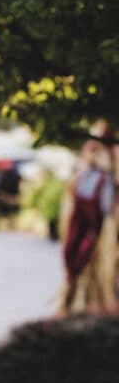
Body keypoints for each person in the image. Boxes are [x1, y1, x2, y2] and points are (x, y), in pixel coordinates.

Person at [60, 121, 117, 313]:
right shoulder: (85, 175)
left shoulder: (106, 176)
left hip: (98, 228)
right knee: (74, 255)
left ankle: (91, 304)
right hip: (84, 222)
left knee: (87, 259)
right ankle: (74, 300)